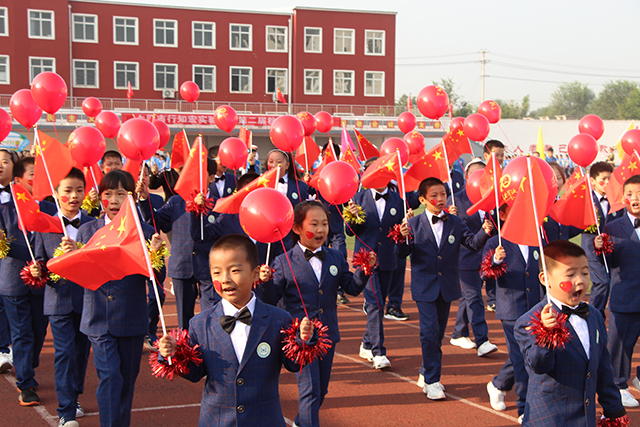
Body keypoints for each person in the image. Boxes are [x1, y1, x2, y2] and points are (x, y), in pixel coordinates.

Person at [158, 234, 313, 426]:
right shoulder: (200, 323)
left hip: (264, 420)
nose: (225, 279)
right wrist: (175, 353)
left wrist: (303, 340)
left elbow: (294, 364)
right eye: (217, 273)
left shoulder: (278, 319)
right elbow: (195, 373)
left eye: (235, 270)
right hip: (217, 421)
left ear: (255, 274)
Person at [262, 201, 374, 427]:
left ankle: (301, 423)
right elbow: (270, 299)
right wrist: (264, 283)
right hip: (300, 338)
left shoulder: (335, 257)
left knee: (321, 389)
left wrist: (365, 270)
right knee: (310, 390)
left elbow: (351, 288)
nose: (321, 230)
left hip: (328, 334)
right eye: (314, 224)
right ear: (296, 228)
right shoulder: (284, 261)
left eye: (325, 223)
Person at [75, 170, 165, 427]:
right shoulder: (86, 231)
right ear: (100, 197)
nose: (114, 201)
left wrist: (156, 257)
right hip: (98, 319)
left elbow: (156, 279)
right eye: (108, 194)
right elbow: (81, 275)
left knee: (126, 382)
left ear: (132, 198)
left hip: (131, 318)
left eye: (121, 195)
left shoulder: (146, 232)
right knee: (110, 378)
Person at [396, 177, 492, 400]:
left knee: (437, 334)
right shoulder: (413, 224)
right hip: (424, 287)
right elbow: (402, 254)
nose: (440, 199)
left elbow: (473, 243)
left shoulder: (456, 222)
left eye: (443, 195)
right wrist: (401, 239)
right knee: (428, 332)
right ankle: (432, 380)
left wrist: (485, 231)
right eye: (434, 196)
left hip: (447, 287)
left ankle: (425, 370)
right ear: (422, 199)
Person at [515, 240, 627, 426]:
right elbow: (539, 365)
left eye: (585, 272)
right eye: (571, 274)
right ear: (545, 279)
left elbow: (603, 368)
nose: (580, 280)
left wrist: (614, 411)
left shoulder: (594, 316)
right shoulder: (528, 322)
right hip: (550, 420)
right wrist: (546, 333)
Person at [30, 168, 94, 427]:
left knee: (81, 353)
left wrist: (79, 251)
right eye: (67, 190)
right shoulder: (44, 226)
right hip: (57, 301)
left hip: (88, 299)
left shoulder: (93, 224)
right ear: (56, 193)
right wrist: (37, 269)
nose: (73, 196)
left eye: (79, 190)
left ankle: (74, 395)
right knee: (64, 353)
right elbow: (39, 261)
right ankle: (66, 412)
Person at [0, 151, 54, 406]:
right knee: (22, 333)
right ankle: (27, 384)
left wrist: (43, 263)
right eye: (33, 175)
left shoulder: (50, 205)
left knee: (37, 330)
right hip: (13, 279)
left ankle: (26, 364)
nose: (37, 179)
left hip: (43, 281)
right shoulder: (4, 204)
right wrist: (31, 259)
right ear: (20, 178)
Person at [138, 159, 219, 328]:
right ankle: (185, 351)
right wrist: (145, 200)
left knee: (211, 313)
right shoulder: (176, 202)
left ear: (212, 178)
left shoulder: (218, 204)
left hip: (210, 268)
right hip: (182, 266)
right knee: (184, 317)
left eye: (201, 174)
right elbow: (155, 221)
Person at [483, 204, 542, 422]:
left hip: (535, 308)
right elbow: (485, 273)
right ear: (504, 214)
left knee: (527, 354)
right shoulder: (496, 242)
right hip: (511, 309)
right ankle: (524, 407)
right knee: (522, 358)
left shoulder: (537, 240)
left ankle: (499, 384)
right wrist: (495, 260)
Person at [346, 158, 407, 370]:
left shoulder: (398, 201)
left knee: (379, 304)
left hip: (389, 260)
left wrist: (404, 231)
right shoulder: (358, 198)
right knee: (376, 303)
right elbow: (349, 231)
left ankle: (366, 342)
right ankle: (378, 351)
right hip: (366, 260)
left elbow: (399, 232)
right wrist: (352, 218)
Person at [596, 174, 640, 407]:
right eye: (631, 194)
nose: (636, 199)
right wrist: (601, 249)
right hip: (626, 296)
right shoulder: (613, 226)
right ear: (623, 198)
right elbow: (608, 262)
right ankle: (619, 385)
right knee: (620, 346)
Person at [449, 158, 499, 357]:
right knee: (475, 298)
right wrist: (449, 215)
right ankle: (482, 340)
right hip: (464, 258)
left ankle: (459, 332)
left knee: (471, 296)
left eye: (484, 175)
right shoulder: (456, 200)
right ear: (467, 177)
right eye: (475, 174)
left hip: (487, 257)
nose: (480, 179)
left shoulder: (493, 198)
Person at [582, 162, 620, 320]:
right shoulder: (586, 201)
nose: (607, 183)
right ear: (592, 181)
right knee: (602, 282)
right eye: (603, 179)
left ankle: (599, 316)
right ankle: (593, 316)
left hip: (612, 250)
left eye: (610, 179)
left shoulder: (617, 201)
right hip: (592, 249)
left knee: (611, 282)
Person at [482, 140, 505, 311]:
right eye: (496, 155)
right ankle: (491, 297)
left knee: (501, 257)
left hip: (504, 222)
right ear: (486, 156)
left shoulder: (506, 176)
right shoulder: (481, 178)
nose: (500, 159)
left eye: (503, 156)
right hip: (486, 224)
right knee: (488, 258)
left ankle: (498, 295)